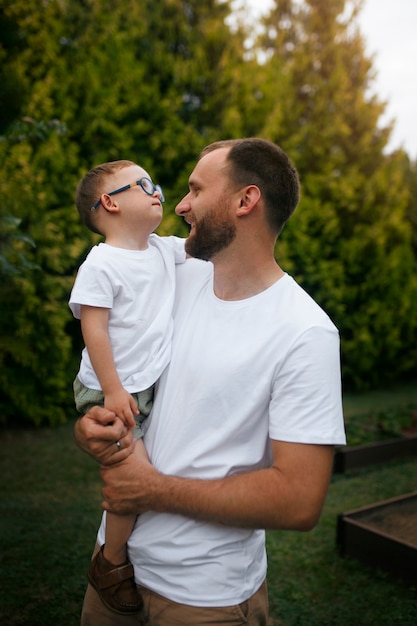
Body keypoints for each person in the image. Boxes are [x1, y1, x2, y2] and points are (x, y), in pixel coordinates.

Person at [74, 138, 346, 626]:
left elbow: (300, 500)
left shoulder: (305, 332)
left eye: (195, 189)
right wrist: (92, 426)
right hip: (112, 573)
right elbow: (118, 371)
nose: (179, 205)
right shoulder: (172, 274)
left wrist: (151, 490)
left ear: (246, 201)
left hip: (203, 598)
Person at [69, 160, 186, 615]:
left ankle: (115, 555)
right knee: (132, 480)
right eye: (143, 185)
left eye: (154, 182)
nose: (156, 190)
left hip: (141, 385)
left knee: (136, 471)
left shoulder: (161, 250)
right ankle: (111, 562)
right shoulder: (101, 264)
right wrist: (116, 391)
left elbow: (203, 248)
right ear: (111, 202)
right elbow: (94, 333)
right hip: (107, 389)